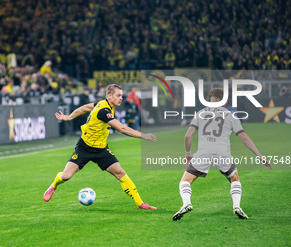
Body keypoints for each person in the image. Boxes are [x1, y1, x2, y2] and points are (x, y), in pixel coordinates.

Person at [44, 84, 157, 209]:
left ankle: (140, 204)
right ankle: (54, 185)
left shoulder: (103, 104)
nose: (121, 98)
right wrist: (143, 135)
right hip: (84, 148)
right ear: (109, 96)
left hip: (101, 149)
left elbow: (85, 107)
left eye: (121, 96)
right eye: (118, 95)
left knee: (120, 173)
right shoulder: (103, 111)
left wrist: (70, 116)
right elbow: (122, 128)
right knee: (66, 176)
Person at [172, 88, 272, 221]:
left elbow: (188, 136)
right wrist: (260, 156)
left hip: (204, 152)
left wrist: (188, 154)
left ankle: (186, 203)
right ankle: (236, 206)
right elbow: (244, 137)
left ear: (209, 99)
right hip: (222, 152)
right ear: (224, 101)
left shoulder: (200, 113)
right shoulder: (231, 116)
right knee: (234, 179)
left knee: (185, 181)